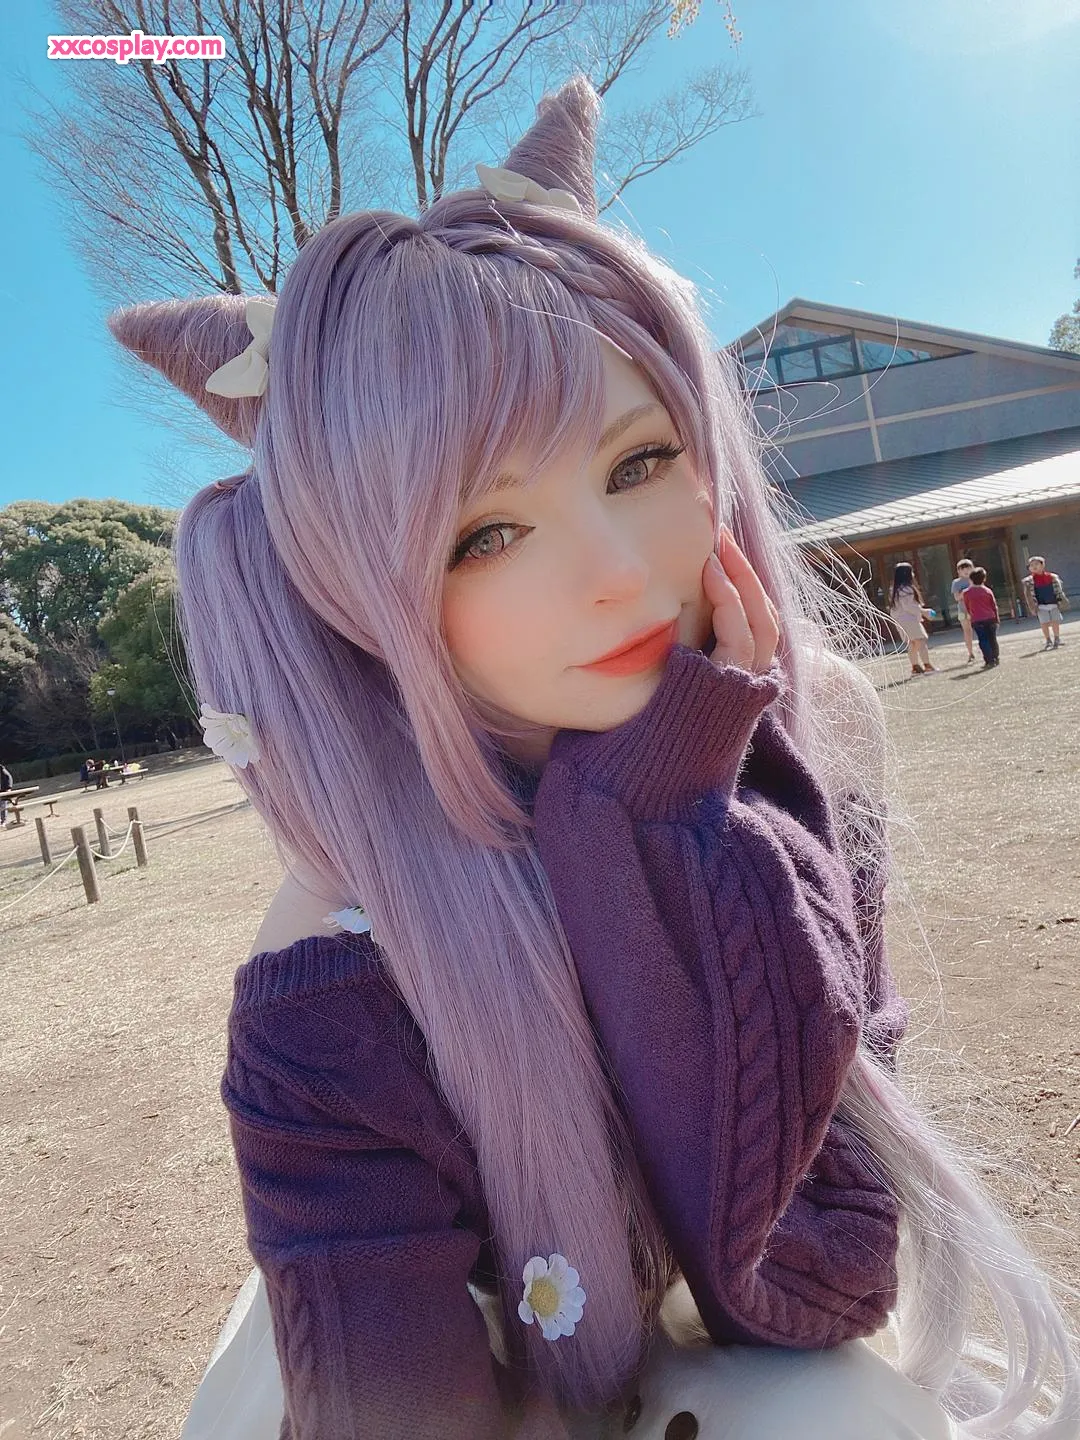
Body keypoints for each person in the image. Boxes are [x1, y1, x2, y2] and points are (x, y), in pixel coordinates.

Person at [109, 78, 1078, 1440]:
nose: (618, 572)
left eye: (637, 463)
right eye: (484, 536)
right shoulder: (332, 970)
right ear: (365, 605)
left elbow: (819, 1278)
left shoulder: (811, 738)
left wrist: (674, 817)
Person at [887, 562, 936, 674]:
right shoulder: (906, 590)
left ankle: (915, 666)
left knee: (912, 643)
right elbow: (909, 606)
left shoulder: (894, 590)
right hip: (910, 620)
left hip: (900, 621)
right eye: (911, 572)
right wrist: (923, 612)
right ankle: (927, 665)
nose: (913, 574)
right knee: (921, 641)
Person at [1022, 555, 1069, 650]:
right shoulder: (1029, 581)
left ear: (1042, 565)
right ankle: (1048, 640)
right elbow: (1028, 596)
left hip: (1053, 602)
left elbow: (1059, 590)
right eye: (1031, 565)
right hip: (1040, 605)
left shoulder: (1052, 577)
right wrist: (1032, 606)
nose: (1034, 567)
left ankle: (1057, 638)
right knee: (1044, 623)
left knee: (1055, 621)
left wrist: (1062, 600)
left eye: (1036, 564)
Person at [963, 567, 1001, 668]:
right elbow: (994, 606)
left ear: (971, 579)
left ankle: (988, 660)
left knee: (983, 640)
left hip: (977, 619)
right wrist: (997, 619)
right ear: (984, 579)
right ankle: (996, 657)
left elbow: (967, 606)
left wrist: (970, 615)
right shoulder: (987, 591)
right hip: (990, 618)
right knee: (992, 639)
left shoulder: (966, 593)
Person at [950, 559, 976, 662]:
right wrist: (967, 590)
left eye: (968, 568)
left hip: (976, 608)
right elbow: (957, 598)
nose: (966, 571)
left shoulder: (975, 579)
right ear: (959, 571)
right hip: (962, 610)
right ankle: (970, 652)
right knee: (967, 631)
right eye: (963, 569)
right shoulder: (956, 583)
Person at [0, 761, 13, 827]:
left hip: (2, 791)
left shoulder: (2, 770)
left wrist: (9, 787)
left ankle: (3, 821)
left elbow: (9, 777)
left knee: (3, 806)